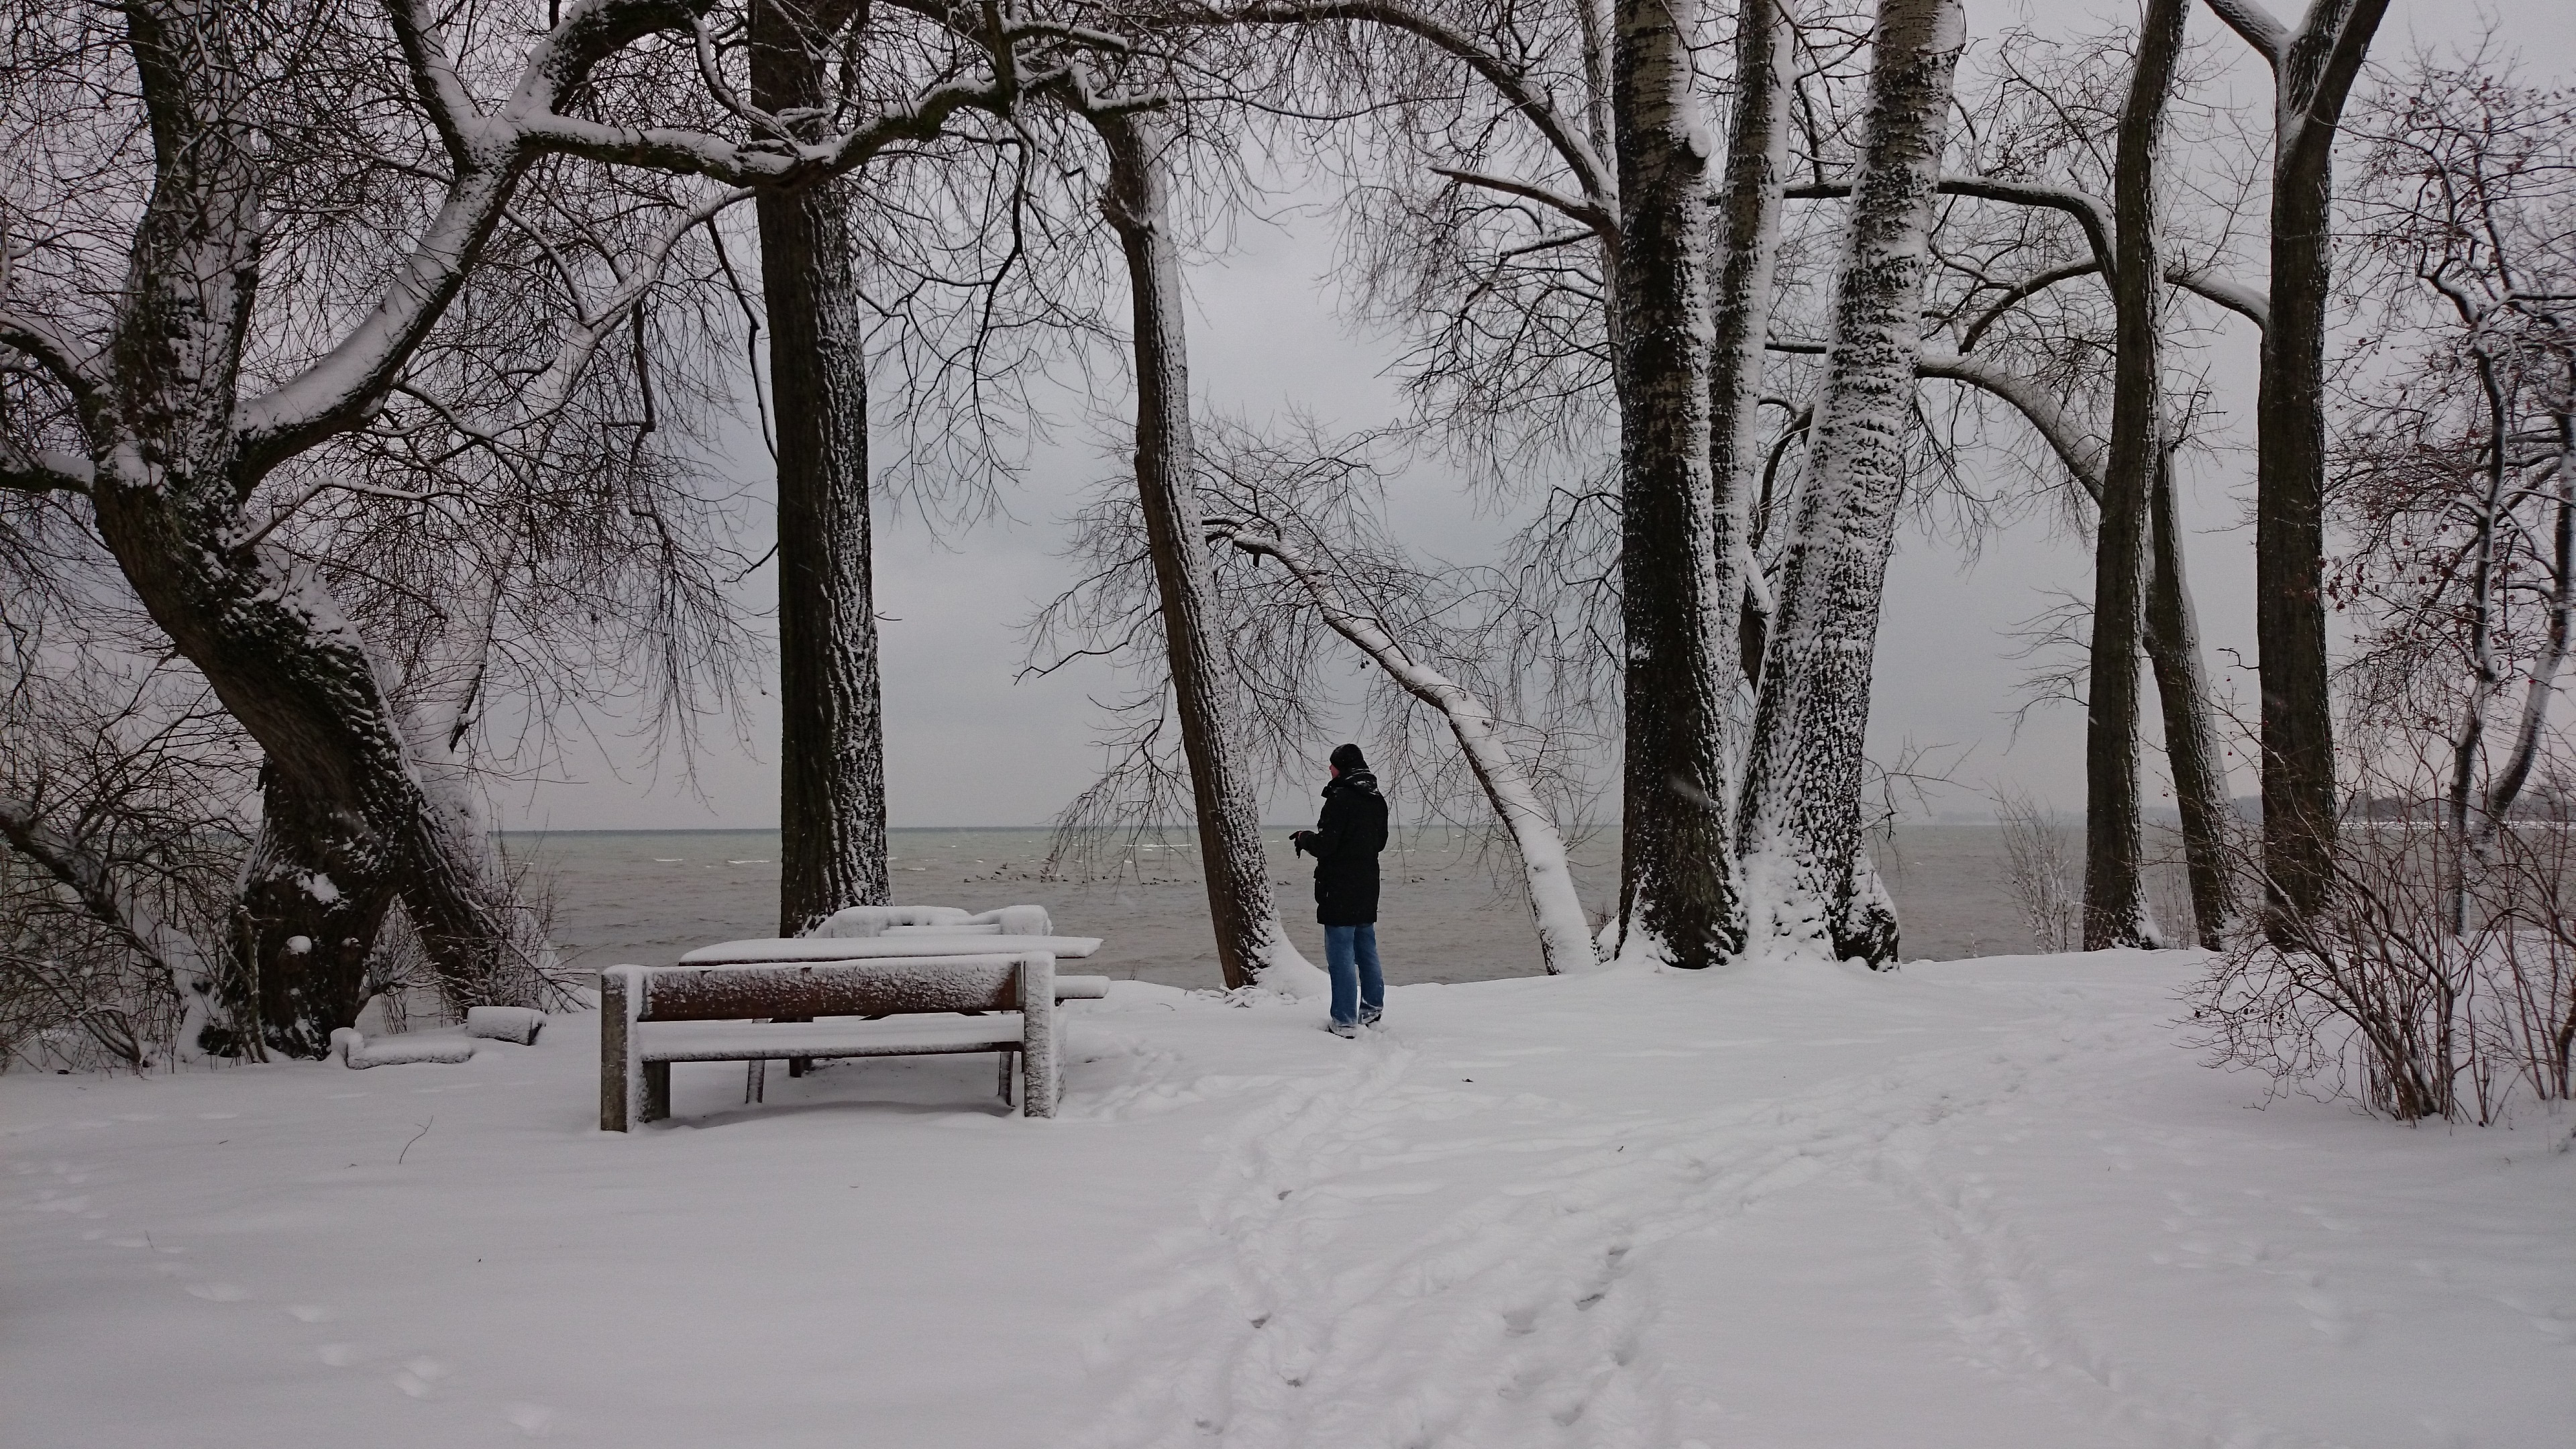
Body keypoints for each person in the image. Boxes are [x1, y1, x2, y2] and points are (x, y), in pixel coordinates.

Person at [1290, 743, 1389, 1036]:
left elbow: (1327, 846)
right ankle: (1372, 1010)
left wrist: (1305, 838)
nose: (1330, 771)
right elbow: (1379, 843)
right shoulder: (1376, 798)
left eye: (1332, 766)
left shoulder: (1340, 798)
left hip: (1339, 886)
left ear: (1341, 767)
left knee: (1341, 953)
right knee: (1366, 948)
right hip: (1368, 883)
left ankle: (1345, 1021)